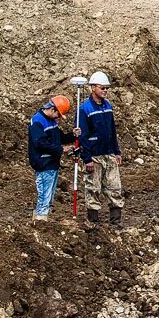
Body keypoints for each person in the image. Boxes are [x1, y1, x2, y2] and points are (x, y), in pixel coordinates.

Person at [76, 71, 123, 227]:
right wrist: (87, 158)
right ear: (93, 88)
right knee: (93, 188)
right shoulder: (84, 109)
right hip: (94, 156)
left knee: (114, 186)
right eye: (102, 88)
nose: (105, 90)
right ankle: (93, 220)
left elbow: (112, 131)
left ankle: (116, 220)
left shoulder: (107, 106)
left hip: (108, 153)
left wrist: (116, 151)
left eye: (106, 88)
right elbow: (82, 136)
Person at [28, 95, 77, 222]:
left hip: (52, 163)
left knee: (48, 197)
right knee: (44, 196)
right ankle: (40, 222)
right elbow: (40, 143)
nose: (59, 118)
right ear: (52, 109)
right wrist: (61, 149)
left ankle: (40, 220)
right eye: (59, 115)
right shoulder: (38, 121)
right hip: (43, 163)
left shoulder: (51, 121)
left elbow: (60, 138)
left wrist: (73, 135)